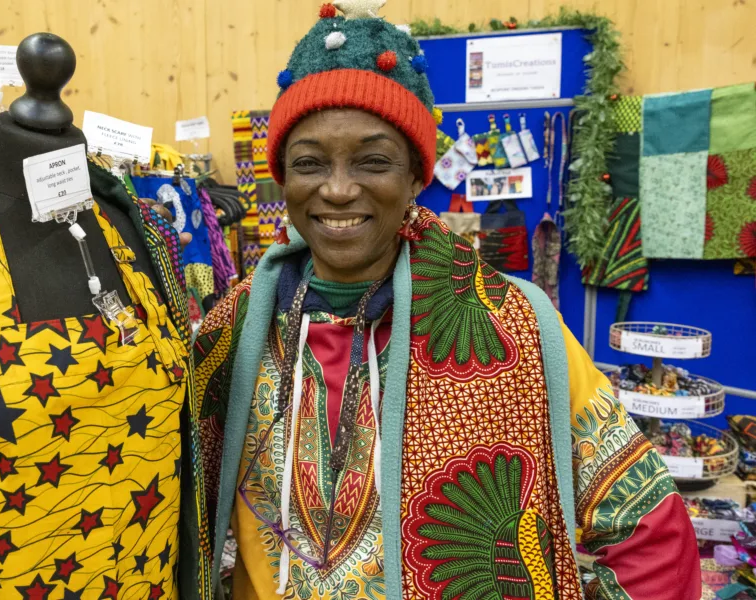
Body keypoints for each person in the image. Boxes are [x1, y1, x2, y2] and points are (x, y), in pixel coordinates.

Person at [189, 3, 700, 599]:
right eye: (308, 163)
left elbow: (650, 532)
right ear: (283, 178)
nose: (336, 188)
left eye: (373, 161)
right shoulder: (232, 332)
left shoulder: (517, 329)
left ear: (415, 177)